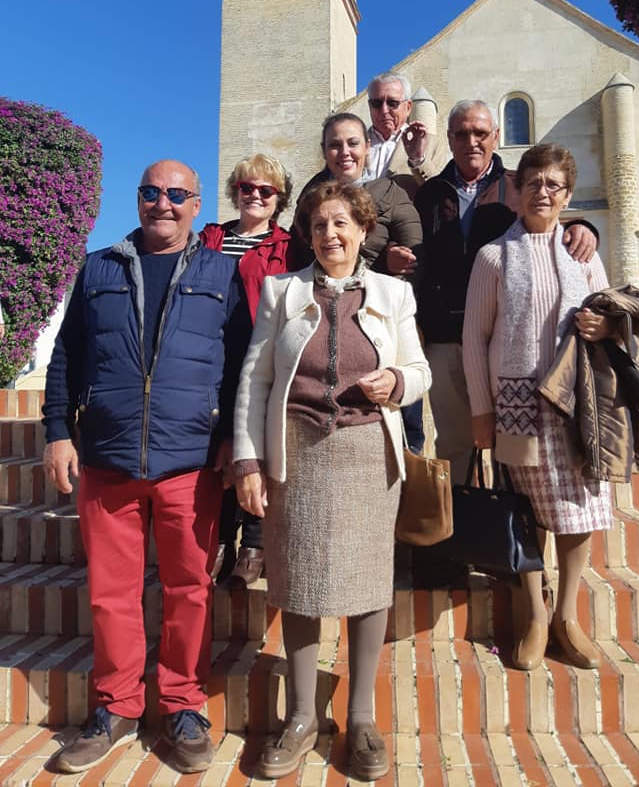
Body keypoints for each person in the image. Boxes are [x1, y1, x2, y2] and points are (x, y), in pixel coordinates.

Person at [42, 161, 251, 774]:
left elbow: (243, 364)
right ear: (137, 200)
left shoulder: (222, 273)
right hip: (107, 456)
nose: (163, 202)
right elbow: (66, 355)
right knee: (111, 594)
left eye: (176, 194)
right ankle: (116, 706)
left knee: (189, 590)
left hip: (191, 459)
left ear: (196, 205)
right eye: (151, 192)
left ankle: (183, 706)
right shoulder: (97, 268)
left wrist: (232, 439)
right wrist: (57, 431)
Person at [233, 182, 431, 780]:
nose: (330, 235)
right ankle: (301, 717)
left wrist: (397, 382)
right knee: (299, 583)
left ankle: (362, 718)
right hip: (297, 455)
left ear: (363, 229)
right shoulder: (282, 291)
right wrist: (247, 461)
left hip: (369, 454)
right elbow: (255, 380)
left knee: (369, 583)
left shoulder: (394, 292)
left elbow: (420, 369)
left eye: (342, 223)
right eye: (319, 225)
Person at [462, 143, 612, 672]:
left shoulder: (584, 255)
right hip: (518, 406)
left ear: (567, 195)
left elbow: (612, 315)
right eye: (533, 183)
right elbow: (474, 337)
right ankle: (534, 614)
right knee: (523, 513)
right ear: (517, 192)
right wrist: (481, 410)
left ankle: (567, 617)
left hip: (578, 406)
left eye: (553, 185)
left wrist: (603, 325)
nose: (542, 193)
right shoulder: (494, 257)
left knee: (578, 511)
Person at [415, 100, 598, 486]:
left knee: (510, 449)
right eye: (462, 133)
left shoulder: (519, 185)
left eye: (480, 133)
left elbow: (548, 219)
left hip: (504, 342)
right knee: (454, 444)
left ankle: (507, 520)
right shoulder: (430, 194)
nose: (472, 141)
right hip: (446, 338)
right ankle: (459, 520)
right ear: (449, 139)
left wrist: (583, 227)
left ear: (496, 136)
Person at [295, 112, 425, 451]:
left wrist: (393, 263)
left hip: (380, 320)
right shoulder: (311, 197)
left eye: (352, 143)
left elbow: (418, 256)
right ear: (324, 151)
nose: (345, 152)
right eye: (334, 145)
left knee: (402, 423)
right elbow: (301, 256)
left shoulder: (392, 194)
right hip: (323, 316)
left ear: (367, 146)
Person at [201, 154, 294, 587]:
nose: (255, 195)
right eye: (247, 188)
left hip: (263, 358)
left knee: (257, 444)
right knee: (217, 445)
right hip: (212, 357)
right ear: (235, 192)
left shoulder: (288, 246)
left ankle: (255, 540)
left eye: (265, 190)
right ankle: (220, 537)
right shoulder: (210, 238)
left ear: (278, 198)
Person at [366, 72, 448, 196]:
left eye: (392, 103)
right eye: (376, 104)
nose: (384, 110)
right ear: (370, 106)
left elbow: (440, 194)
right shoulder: (352, 144)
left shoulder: (432, 145)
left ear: (408, 107)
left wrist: (418, 160)